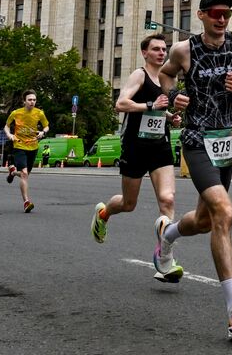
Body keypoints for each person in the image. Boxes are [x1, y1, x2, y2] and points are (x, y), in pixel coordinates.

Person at [157, 0, 232, 341]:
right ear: (202, 15)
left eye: (227, 14)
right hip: (195, 140)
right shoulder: (184, 50)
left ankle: (166, 237)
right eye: (216, 14)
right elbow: (165, 75)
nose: (222, 20)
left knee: (205, 220)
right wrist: (173, 100)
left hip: (226, 142)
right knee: (224, 213)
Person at [92, 32, 188, 284]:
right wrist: (149, 106)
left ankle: (164, 260)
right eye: (155, 49)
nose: (161, 52)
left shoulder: (166, 78)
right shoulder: (140, 75)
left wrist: (170, 118)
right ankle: (103, 214)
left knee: (167, 199)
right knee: (128, 203)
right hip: (135, 145)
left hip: (160, 146)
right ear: (145, 53)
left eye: (163, 49)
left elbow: (159, 108)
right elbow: (121, 104)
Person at [4, 91, 50, 212]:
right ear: (24, 101)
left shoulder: (39, 113)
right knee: (24, 174)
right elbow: (7, 125)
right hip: (19, 145)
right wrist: (9, 135)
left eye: (34, 100)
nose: (32, 102)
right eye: (29, 100)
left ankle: (13, 172)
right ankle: (26, 202)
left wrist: (42, 132)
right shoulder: (16, 113)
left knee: (25, 175)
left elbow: (46, 126)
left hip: (33, 147)